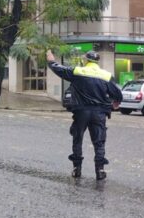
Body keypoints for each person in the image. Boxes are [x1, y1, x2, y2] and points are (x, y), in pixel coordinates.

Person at [47, 49, 122, 181]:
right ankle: (100, 170)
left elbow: (60, 70)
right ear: (97, 61)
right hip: (99, 113)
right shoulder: (106, 75)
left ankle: (77, 169)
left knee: (78, 139)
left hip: (81, 112)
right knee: (99, 142)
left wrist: (51, 61)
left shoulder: (78, 71)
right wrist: (116, 102)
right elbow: (117, 94)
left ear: (86, 60)